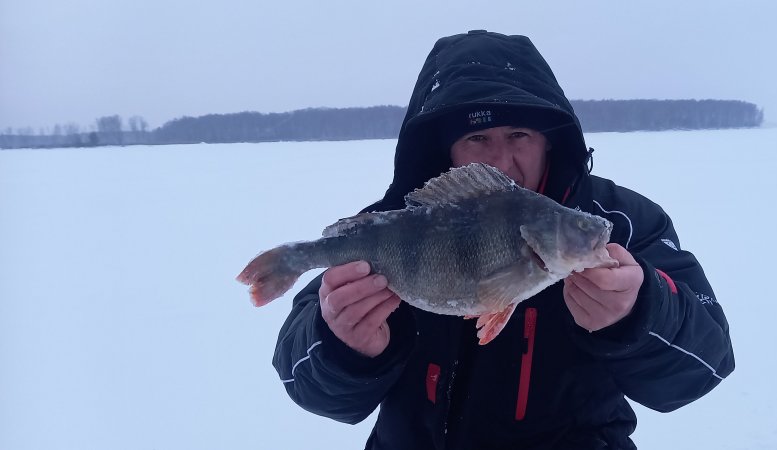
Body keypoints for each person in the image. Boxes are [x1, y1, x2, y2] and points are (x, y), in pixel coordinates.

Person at [272, 30, 734, 450]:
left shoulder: (619, 222)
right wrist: (344, 346)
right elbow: (305, 382)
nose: (501, 161)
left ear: (549, 140)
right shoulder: (396, 226)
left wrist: (639, 313)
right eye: (477, 137)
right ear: (445, 149)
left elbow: (706, 365)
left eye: (519, 134)